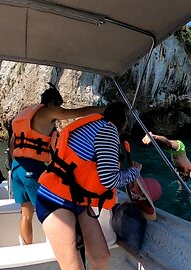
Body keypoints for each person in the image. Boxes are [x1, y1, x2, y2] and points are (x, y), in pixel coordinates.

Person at [36, 102, 142, 269]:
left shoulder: (96, 126)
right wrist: (135, 172)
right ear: (124, 121)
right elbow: (110, 180)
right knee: (73, 267)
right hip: (54, 200)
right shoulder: (107, 131)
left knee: (101, 257)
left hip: (78, 201)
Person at [10, 82, 105, 245]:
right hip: (32, 169)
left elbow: (13, 143)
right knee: (50, 212)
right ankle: (59, 249)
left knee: (26, 214)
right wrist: (105, 110)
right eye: (59, 106)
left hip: (17, 167)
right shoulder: (48, 111)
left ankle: (27, 247)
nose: (58, 112)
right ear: (53, 103)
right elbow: (79, 113)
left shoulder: (25, 114)